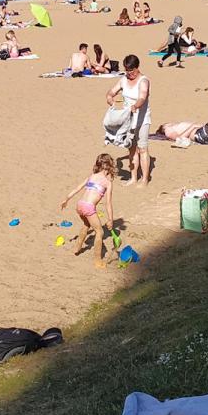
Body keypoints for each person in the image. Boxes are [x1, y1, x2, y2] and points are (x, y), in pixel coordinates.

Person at [59, 153, 119, 267]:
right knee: (100, 232)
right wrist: (110, 219)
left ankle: (76, 248)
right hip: (88, 207)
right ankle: (97, 260)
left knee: (86, 224)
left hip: (80, 205)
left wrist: (66, 199)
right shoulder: (107, 183)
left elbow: (77, 188)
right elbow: (108, 203)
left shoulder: (92, 176)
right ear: (108, 167)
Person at [107, 55, 151, 186]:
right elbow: (112, 91)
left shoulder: (143, 81)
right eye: (127, 70)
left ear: (137, 68)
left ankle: (144, 179)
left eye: (131, 71)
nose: (129, 73)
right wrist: (109, 97)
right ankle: (133, 177)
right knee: (131, 149)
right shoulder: (123, 80)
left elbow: (142, 97)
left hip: (142, 119)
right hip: (128, 121)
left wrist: (136, 106)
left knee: (142, 148)